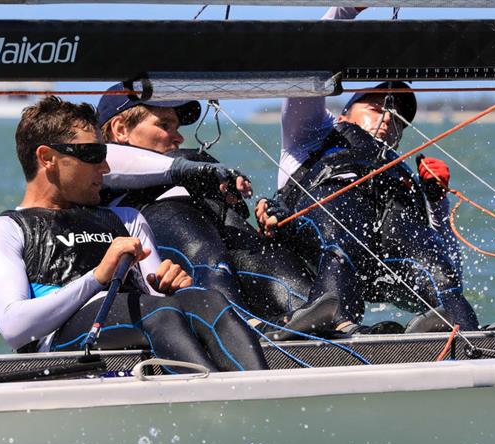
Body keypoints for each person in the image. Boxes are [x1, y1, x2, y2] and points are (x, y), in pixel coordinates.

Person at [0, 96, 268, 372]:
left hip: (141, 325)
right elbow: (14, 328)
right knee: (159, 313)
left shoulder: (125, 219)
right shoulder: (2, 230)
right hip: (60, 347)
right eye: (94, 153)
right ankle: (222, 405)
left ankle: (263, 394)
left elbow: (158, 299)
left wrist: (171, 286)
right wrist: (98, 278)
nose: (106, 165)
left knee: (208, 300)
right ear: (47, 158)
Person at [256, 6, 480, 333]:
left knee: (438, 267)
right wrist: (345, 10)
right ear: (345, 113)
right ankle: (333, 320)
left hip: (379, 267)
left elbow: (449, 257)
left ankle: (462, 327)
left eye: (399, 119)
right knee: (345, 216)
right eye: (376, 108)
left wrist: (436, 200)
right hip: (317, 243)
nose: (389, 118)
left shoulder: (400, 172)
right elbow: (307, 65)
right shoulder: (311, 132)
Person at [95, 85, 340, 336]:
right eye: (164, 125)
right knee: (181, 219)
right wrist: (189, 168)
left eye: (177, 128)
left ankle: (317, 315)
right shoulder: (97, 168)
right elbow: (109, 158)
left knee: (256, 249)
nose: (178, 137)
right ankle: (240, 324)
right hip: (160, 248)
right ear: (120, 129)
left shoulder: (192, 169)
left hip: (207, 241)